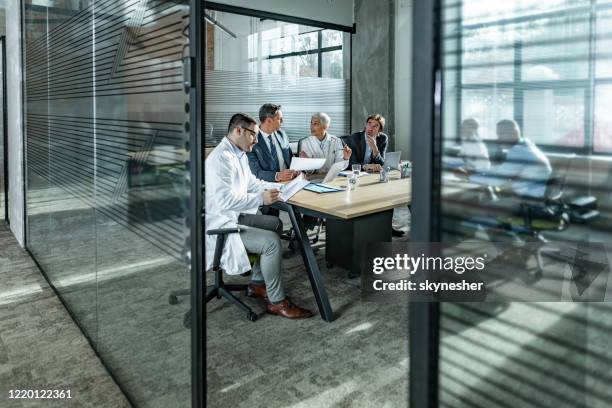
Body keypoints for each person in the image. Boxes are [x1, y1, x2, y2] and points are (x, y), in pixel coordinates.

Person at [205, 113, 313, 319]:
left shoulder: (238, 154)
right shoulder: (221, 159)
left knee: (274, 224)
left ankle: (256, 284)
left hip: (234, 216)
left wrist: (283, 186)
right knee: (271, 242)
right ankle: (277, 301)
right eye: (253, 135)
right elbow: (225, 201)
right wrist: (261, 199)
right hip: (221, 224)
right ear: (238, 131)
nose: (256, 140)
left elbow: (253, 184)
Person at [247, 103, 299, 182]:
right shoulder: (251, 141)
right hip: (268, 186)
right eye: (279, 119)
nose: (282, 121)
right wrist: (278, 176)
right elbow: (255, 173)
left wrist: (299, 167)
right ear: (269, 121)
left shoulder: (282, 135)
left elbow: (290, 160)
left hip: (290, 182)